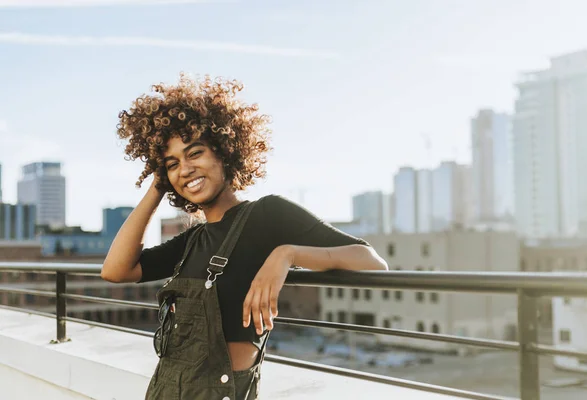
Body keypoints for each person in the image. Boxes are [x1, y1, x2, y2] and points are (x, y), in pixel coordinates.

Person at [100, 74, 388, 400]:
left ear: (224, 151)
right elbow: (115, 270)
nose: (185, 169)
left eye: (195, 153)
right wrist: (157, 186)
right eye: (172, 163)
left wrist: (287, 254)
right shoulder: (193, 239)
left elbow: (372, 263)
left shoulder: (267, 215)